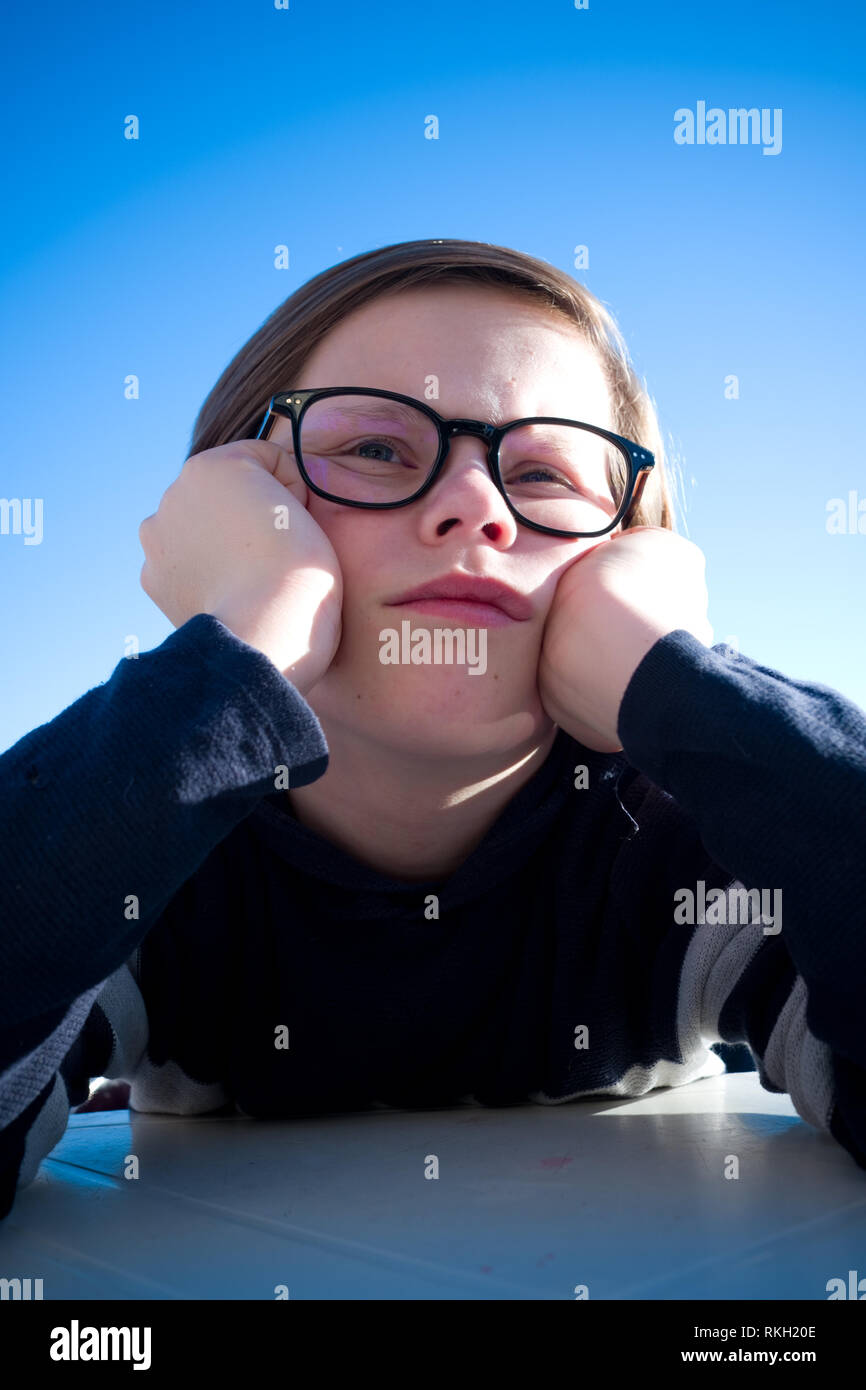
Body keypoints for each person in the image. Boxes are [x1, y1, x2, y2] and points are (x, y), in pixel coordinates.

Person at [2, 238, 865, 1224]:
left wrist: (679, 684)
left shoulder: (699, 843)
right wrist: (240, 639)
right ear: (234, 513)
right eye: (373, 449)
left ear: (635, 550)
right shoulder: (131, 835)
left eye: (541, 471)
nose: (472, 506)